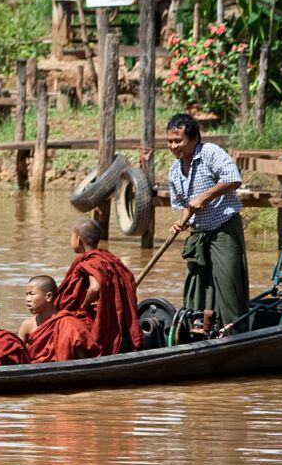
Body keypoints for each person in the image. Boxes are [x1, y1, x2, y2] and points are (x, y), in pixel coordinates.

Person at [163, 113, 249, 335]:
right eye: (170, 141)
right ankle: (200, 330)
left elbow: (233, 178)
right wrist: (181, 223)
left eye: (178, 141)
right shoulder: (174, 171)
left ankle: (234, 333)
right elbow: (184, 204)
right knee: (197, 286)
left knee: (228, 283)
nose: (173, 146)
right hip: (199, 232)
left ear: (193, 139)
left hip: (223, 227)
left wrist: (205, 197)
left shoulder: (210, 152)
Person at [55, 219, 142, 355]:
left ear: (78, 240)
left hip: (97, 317)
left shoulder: (92, 261)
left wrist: (84, 306)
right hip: (112, 314)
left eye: (71, 237)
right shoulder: (109, 258)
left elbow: (95, 287)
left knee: (65, 322)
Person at [18, 276, 99, 363]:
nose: (27, 299)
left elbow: (82, 358)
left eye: (32, 294)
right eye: (26, 294)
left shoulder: (68, 322)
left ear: (48, 296)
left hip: (63, 370)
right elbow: (16, 354)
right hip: (34, 370)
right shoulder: (27, 325)